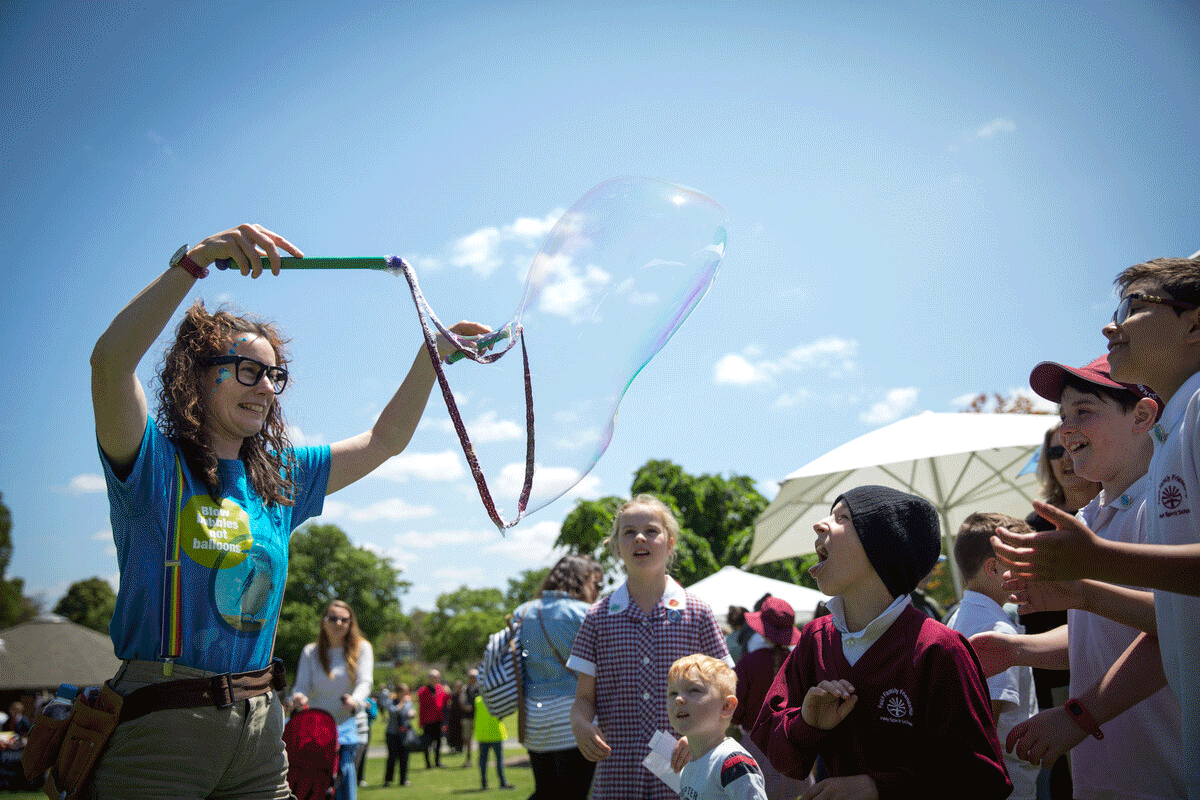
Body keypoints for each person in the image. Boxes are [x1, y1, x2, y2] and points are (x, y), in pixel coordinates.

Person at [88, 224, 485, 798]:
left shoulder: (278, 478)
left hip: (260, 727)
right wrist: (195, 262)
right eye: (249, 371)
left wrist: (433, 355)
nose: (267, 389)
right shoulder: (152, 462)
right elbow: (110, 362)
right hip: (162, 725)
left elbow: (384, 440)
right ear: (197, 374)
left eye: (274, 375)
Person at [992, 258, 1200, 797]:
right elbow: (1100, 638)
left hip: (1167, 773)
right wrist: (1018, 651)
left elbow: (1174, 623)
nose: (1066, 431)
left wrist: (1079, 713)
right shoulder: (1087, 520)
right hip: (1105, 775)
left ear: (1143, 416)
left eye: (1084, 411)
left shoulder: (1161, 500)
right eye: (1062, 417)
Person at [750, 485, 1012, 798]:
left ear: (882, 545)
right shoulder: (815, 640)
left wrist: (879, 787)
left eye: (843, 517)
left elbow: (984, 780)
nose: (819, 524)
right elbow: (783, 759)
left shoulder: (939, 648)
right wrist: (807, 724)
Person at [568, 494, 732, 800]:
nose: (640, 538)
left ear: (669, 543)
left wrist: (701, 734)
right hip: (617, 772)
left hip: (686, 772)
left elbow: (726, 694)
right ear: (616, 546)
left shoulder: (697, 613)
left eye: (651, 530)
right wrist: (579, 723)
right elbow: (584, 699)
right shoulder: (597, 617)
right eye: (629, 532)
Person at [1023, 422, 1098, 800]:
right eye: (1054, 452)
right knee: (1073, 776)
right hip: (1057, 672)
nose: (1065, 458)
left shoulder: (1121, 507)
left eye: (1072, 447)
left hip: (1123, 652)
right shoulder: (1034, 527)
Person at [945, 512, 1040, 800]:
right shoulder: (997, 629)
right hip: (1005, 781)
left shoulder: (957, 618)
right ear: (994, 567)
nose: (1029, 571)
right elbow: (987, 720)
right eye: (1020, 563)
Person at [512, 554, 603, 800]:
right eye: (594, 582)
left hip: (534, 719)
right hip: (574, 718)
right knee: (574, 793)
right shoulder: (585, 613)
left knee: (545, 792)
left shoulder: (523, 612)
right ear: (583, 579)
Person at [292, 599, 375, 800]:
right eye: (333, 618)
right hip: (317, 730)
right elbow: (301, 686)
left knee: (343, 777)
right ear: (323, 621)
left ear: (350, 622)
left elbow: (365, 681)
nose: (338, 623)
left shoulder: (362, 648)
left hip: (350, 725)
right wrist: (298, 697)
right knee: (315, 785)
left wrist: (355, 700)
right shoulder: (310, 651)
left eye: (344, 619)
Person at [729, 597, 808, 799]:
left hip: (754, 744)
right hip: (790, 746)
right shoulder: (797, 662)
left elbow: (735, 708)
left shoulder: (748, 662)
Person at [669, 654, 767, 800]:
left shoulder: (733, 763)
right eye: (673, 693)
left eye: (693, 690)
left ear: (726, 706)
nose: (678, 699)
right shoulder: (688, 767)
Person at [475, 693, 516, 790]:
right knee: (499, 760)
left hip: (483, 735)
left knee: (483, 761)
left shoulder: (477, 700)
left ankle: (484, 784)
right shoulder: (497, 700)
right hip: (496, 734)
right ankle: (503, 782)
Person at [383, 683, 415, 788]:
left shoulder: (408, 702)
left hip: (404, 733)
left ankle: (403, 780)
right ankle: (388, 780)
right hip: (392, 733)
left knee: (404, 757)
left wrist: (412, 713)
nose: (406, 694)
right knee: (392, 757)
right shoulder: (391, 701)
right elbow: (393, 711)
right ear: (398, 692)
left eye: (407, 692)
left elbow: (411, 711)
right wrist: (402, 702)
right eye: (404, 692)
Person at [417, 669, 447, 768]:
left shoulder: (441, 689)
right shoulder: (423, 690)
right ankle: (428, 763)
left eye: (438, 677)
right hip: (427, 721)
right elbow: (421, 708)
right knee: (427, 743)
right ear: (429, 678)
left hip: (438, 721)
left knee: (438, 742)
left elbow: (445, 702)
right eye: (434, 677)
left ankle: (437, 762)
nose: (436, 679)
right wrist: (421, 722)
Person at [461, 668, 480, 767]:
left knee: (481, 739)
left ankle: (481, 759)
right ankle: (468, 760)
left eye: (474, 677)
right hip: (468, 717)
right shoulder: (465, 688)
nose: (472, 678)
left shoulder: (480, 688)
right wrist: (465, 706)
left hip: (479, 718)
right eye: (471, 677)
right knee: (467, 740)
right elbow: (462, 701)